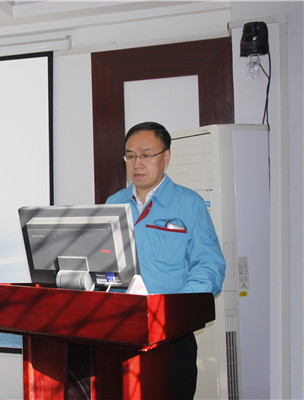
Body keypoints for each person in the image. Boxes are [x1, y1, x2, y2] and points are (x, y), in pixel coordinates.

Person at [105, 121, 226, 399]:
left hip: (171, 335)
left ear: (166, 157)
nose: (137, 163)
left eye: (146, 155)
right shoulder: (114, 203)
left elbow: (210, 267)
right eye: (130, 156)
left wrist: (173, 311)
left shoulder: (189, 203)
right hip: (121, 332)